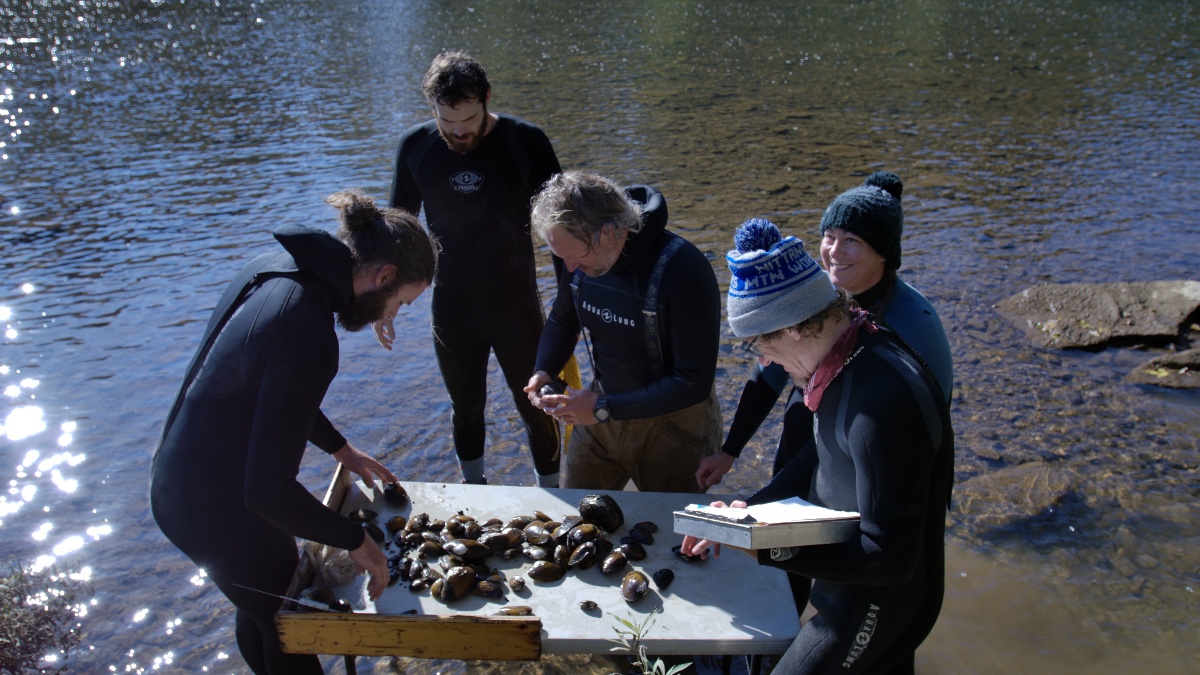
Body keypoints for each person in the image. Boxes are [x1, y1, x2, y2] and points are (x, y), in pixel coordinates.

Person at [150, 191, 438, 675]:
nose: (391, 316)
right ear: (384, 275)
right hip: (216, 508)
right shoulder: (308, 332)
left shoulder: (277, 266)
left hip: (179, 479)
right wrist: (355, 541)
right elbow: (269, 492)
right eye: (399, 303)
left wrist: (341, 449)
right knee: (291, 626)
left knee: (262, 610)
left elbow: (268, 392)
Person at [682, 219, 954, 674]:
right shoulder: (852, 353)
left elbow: (889, 560)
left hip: (879, 606)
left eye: (757, 346)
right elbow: (819, 451)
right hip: (853, 589)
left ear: (792, 329)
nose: (763, 362)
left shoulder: (880, 401)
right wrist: (748, 511)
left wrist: (759, 545)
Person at [696, 172, 953, 490]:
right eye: (829, 236)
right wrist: (730, 451)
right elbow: (768, 376)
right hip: (806, 460)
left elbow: (922, 424)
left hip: (865, 477)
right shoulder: (811, 295)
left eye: (852, 241)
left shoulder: (915, 321)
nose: (834, 251)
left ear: (884, 252)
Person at [377, 50, 563, 487]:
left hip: (516, 306)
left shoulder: (525, 141)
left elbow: (562, 229)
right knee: (466, 409)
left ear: (487, 98)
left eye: (469, 119)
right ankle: (473, 495)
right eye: (447, 121)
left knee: (536, 405)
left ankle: (556, 496)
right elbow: (397, 236)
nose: (458, 132)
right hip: (453, 307)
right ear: (432, 109)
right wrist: (384, 303)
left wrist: (571, 304)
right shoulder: (416, 148)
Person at [523, 171, 722, 493]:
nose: (569, 268)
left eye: (574, 256)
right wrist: (543, 370)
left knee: (669, 533)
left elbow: (693, 382)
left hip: (675, 425)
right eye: (560, 258)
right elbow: (563, 320)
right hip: (601, 413)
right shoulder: (576, 256)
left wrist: (603, 407)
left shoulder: (683, 269)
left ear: (609, 232)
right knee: (579, 518)